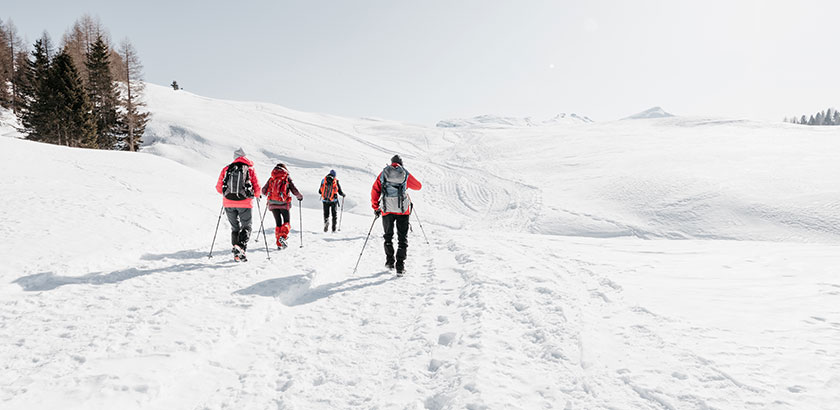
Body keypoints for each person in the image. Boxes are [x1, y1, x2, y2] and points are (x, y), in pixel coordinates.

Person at [370, 155, 422, 275]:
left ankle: (389, 262)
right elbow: (418, 186)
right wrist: (405, 185)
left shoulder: (384, 173)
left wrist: (375, 207)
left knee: (388, 236)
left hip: (387, 209)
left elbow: (375, 190)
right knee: (402, 238)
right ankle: (400, 266)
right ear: (400, 164)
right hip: (402, 210)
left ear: (391, 163)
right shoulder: (404, 173)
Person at [215, 148, 261, 261]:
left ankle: (236, 253)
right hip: (245, 203)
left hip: (228, 202)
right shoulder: (249, 169)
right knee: (247, 226)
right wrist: (257, 195)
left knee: (235, 227)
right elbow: (257, 187)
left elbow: (219, 188)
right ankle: (241, 247)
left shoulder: (227, 169)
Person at [261, 163, 303, 249]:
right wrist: (299, 196)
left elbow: (263, 191)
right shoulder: (286, 177)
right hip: (284, 203)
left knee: (278, 223)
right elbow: (294, 189)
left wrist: (270, 195)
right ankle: (282, 238)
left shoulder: (272, 178)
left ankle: (279, 244)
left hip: (272, 204)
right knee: (286, 222)